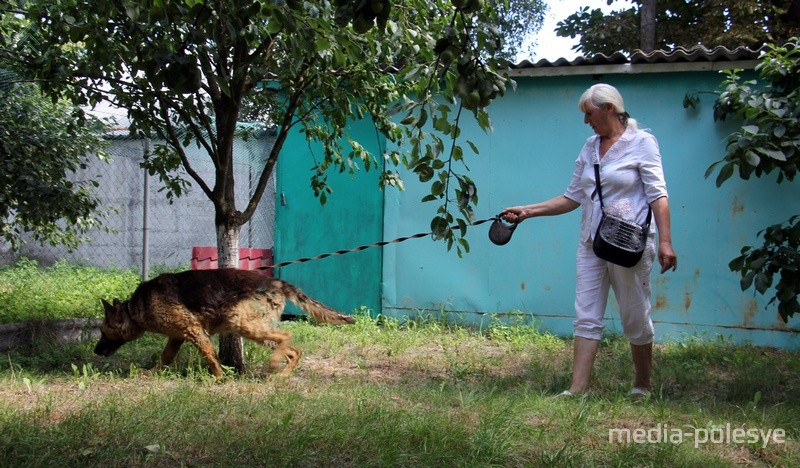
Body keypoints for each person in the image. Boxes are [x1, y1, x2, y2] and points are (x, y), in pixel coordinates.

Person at [501, 83, 677, 398]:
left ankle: (642, 385)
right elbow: (572, 197)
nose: (586, 121)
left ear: (609, 108)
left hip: (628, 245)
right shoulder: (589, 147)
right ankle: (577, 389)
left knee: (634, 314)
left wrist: (666, 242)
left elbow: (658, 195)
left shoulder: (642, 143)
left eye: (589, 113)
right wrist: (527, 211)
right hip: (591, 243)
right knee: (586, 313)